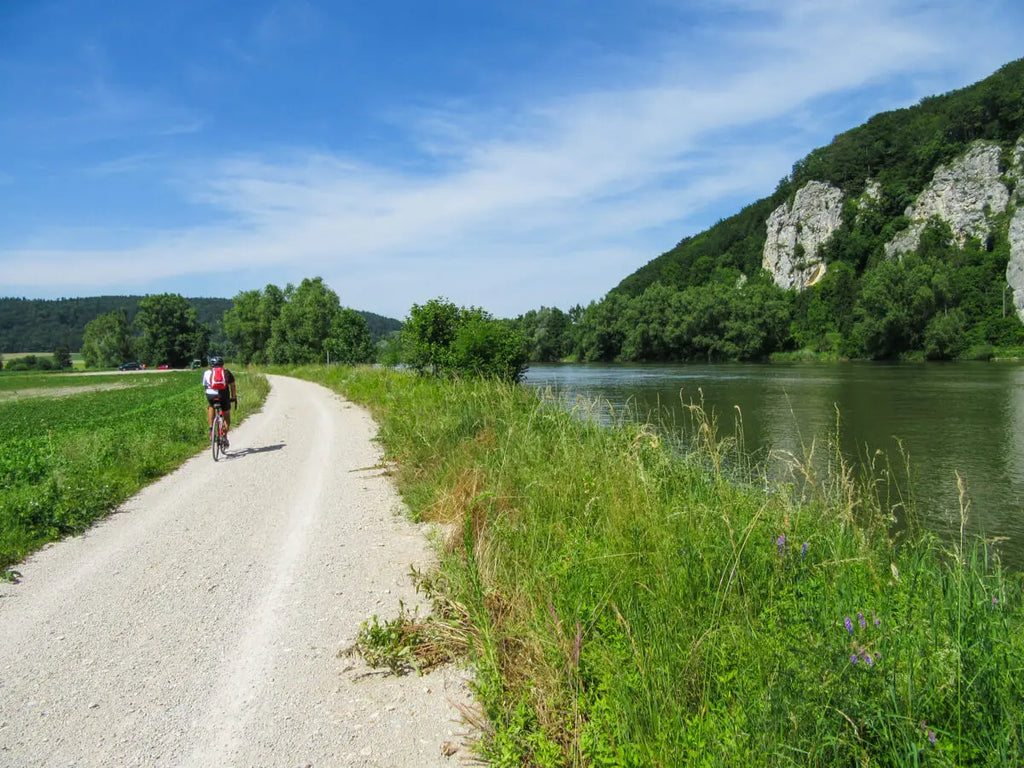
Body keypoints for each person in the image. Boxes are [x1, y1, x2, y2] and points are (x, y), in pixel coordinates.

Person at [202, 355, 237, 447]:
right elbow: (233, 385)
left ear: (211, 365)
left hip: (210, 395)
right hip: (223, 395)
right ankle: (224, 436)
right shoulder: (226, 372)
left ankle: (211, 430)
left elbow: (205, 387)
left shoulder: (206, 373)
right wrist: (233, 397)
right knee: (226, 415)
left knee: (211, 406)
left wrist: (210, 395)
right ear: (222, 364)